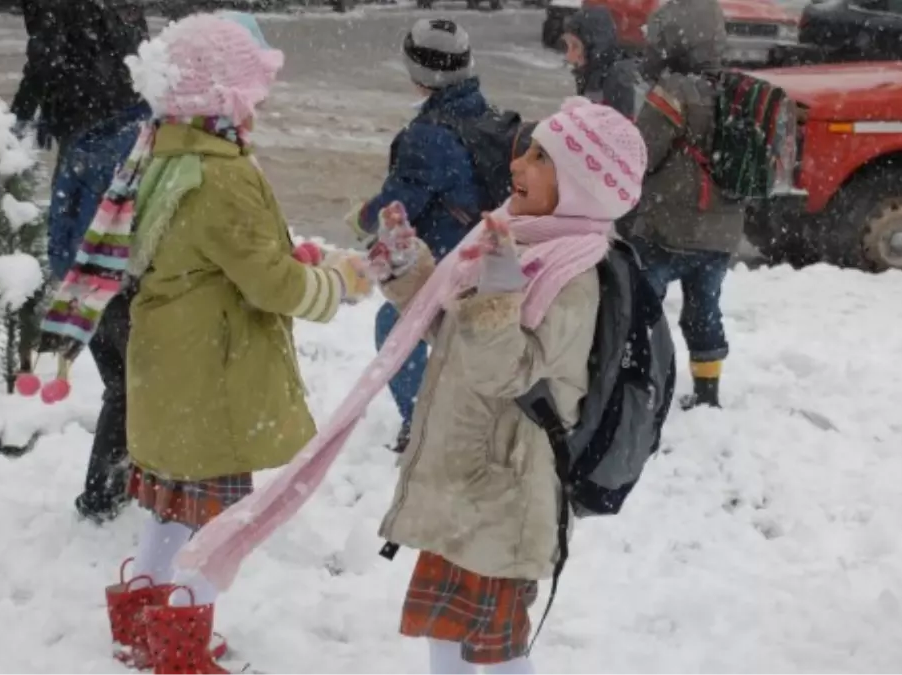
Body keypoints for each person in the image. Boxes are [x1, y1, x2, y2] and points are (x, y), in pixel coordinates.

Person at [70, 14, 373, 672]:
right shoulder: (221, 175)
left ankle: (140, 624)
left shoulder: (164, 152)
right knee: (214, 524)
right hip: (213, 379)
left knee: (172, 508)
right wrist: (336, 282)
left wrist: (288, 254)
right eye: (252, 95)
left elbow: (213, 256)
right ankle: (180, 644)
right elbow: (269, 284)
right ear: (223, 100)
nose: (259, 107)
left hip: (172, 365)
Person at [367, 98, 646, 675]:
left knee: (497, 648)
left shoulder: (575, 276)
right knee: (445, 625)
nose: (519, 163)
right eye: (530, 148)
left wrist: (499, 284)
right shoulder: (519, 240)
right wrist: (408, 269)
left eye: (542, 157)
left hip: (506, 487)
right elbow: (458, 337)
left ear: (579, 187)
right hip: (466, 475)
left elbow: (505, 371)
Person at [12, 0, 151, 523]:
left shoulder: (85, 150)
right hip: (121, 274)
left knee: (125, 381)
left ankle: (116, 490)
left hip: (90, 270)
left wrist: (21, 118)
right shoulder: (137, 142)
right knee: (134, 384)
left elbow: (63, 236)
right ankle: (108, 496)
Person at [349, 18, 490, 453]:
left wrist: (362, 219)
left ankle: (422, 420)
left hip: (445, 258)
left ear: (420, 75)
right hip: (481, 251)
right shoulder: (485, 114)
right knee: (463, 341)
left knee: (395, 327)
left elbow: (399, 204)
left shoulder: (428, 136)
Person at [621, 0, 735, 410]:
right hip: (721, 233)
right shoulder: (739, 90)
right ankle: (708, 394)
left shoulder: (672, 92)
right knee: (704, 311)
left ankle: (642, 386)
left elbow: (642, 153)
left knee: (643, 310)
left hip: (666, 228)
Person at [560, 6, 640, 118]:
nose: (568, 56)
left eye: (575, 46)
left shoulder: (618, 78)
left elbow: (622, 129)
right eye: (567, 46)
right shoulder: (593, 73)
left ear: (595, 46)